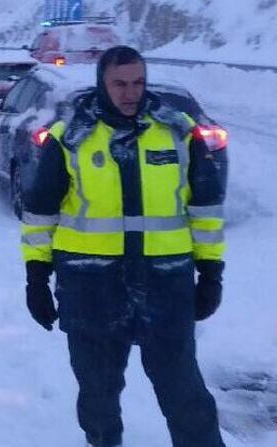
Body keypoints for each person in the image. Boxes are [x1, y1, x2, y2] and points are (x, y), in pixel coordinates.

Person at [19, 45, 227, 447]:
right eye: (120, 84)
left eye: (138, 82)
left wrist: (212, 273)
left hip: (165, 283)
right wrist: (35, 278)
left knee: (186, 396)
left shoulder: (178, 132)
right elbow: (40, 212)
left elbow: (205, 208)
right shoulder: (70, 139)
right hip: (90, 285)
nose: (130, 93)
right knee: (97, 398)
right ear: (102, 84)